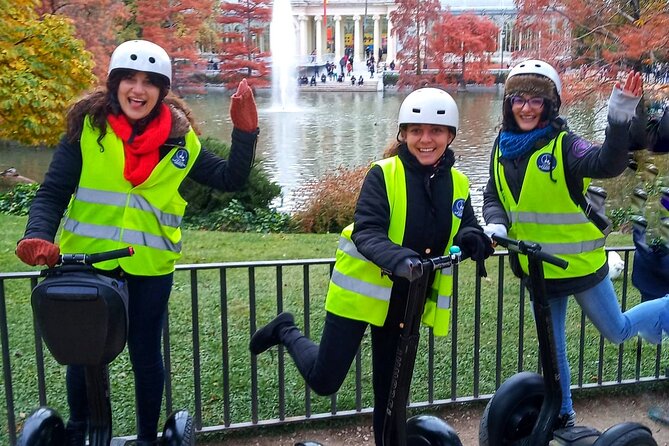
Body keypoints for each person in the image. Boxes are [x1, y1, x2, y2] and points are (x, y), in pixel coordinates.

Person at [14, 39, 259, 446]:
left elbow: (230, 179)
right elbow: (53, 192)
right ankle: (81, 433)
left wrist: (246, 132)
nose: (138, 90)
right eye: (129, 79)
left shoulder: (182, 142)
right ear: (114, 84)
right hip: (86, 265)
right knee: (82, 355)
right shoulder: (88, 131)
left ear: (163, 91)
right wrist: (37, 234)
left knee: (146, 357)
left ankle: (147, 438)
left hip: (150, 268)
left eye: (149, 82)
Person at [249, 88, 493, 446]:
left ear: (450, 135)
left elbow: (465, 222)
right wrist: (401, 259)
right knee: (325, 380)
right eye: (416, 131)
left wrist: (474, 238)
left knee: (392, 397)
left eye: (436, 131)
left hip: (404, 300)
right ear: (403, 135)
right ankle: (286, 330)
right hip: (361, 292)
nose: (426, 139)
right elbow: (368, 231)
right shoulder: (384, 174)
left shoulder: (458, 183)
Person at [482, 59, 669, 428]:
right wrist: (496, 223)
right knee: (553, 351)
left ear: (550, 105)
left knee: (617, 331)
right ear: (509, 103)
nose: (526, 107)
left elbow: (607, 163)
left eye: (536, 100)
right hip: (538, 270)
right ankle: (564, 415)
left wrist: (619, 116)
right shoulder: (500, 147)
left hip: (581, 267)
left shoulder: (566, 145)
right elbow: (493, 195)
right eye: (519, 98)